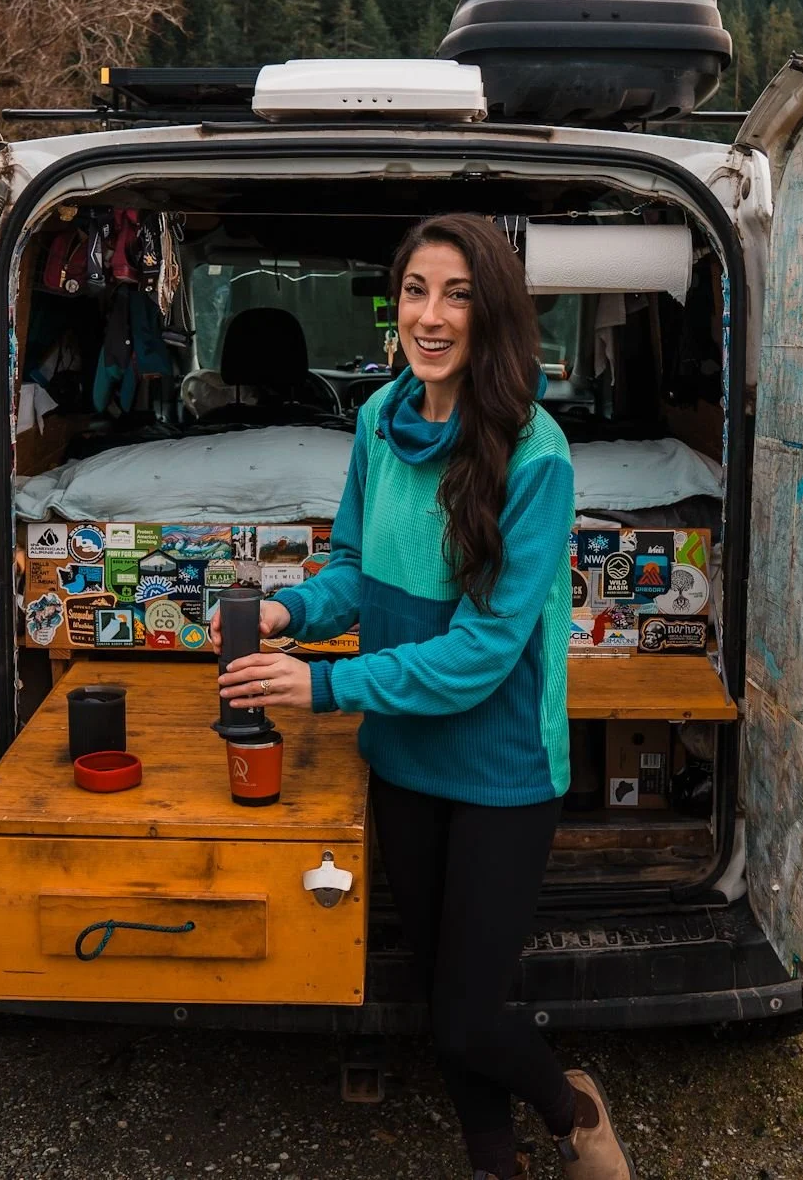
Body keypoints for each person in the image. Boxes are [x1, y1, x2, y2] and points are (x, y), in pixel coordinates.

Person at [216, 214, 636, 1180]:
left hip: (502, 767)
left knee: (466, 1010)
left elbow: (483, 653)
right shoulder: (377, 420)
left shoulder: (537, 454)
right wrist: (292, 612)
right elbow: (359, 570)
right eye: (415, 290)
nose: (431, 315)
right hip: (403, 756)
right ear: (393, 305)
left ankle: (575, 1113)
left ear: (491, 312)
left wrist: (322, 684)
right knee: (447, 992)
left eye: (455, 293)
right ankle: (494, 1159)